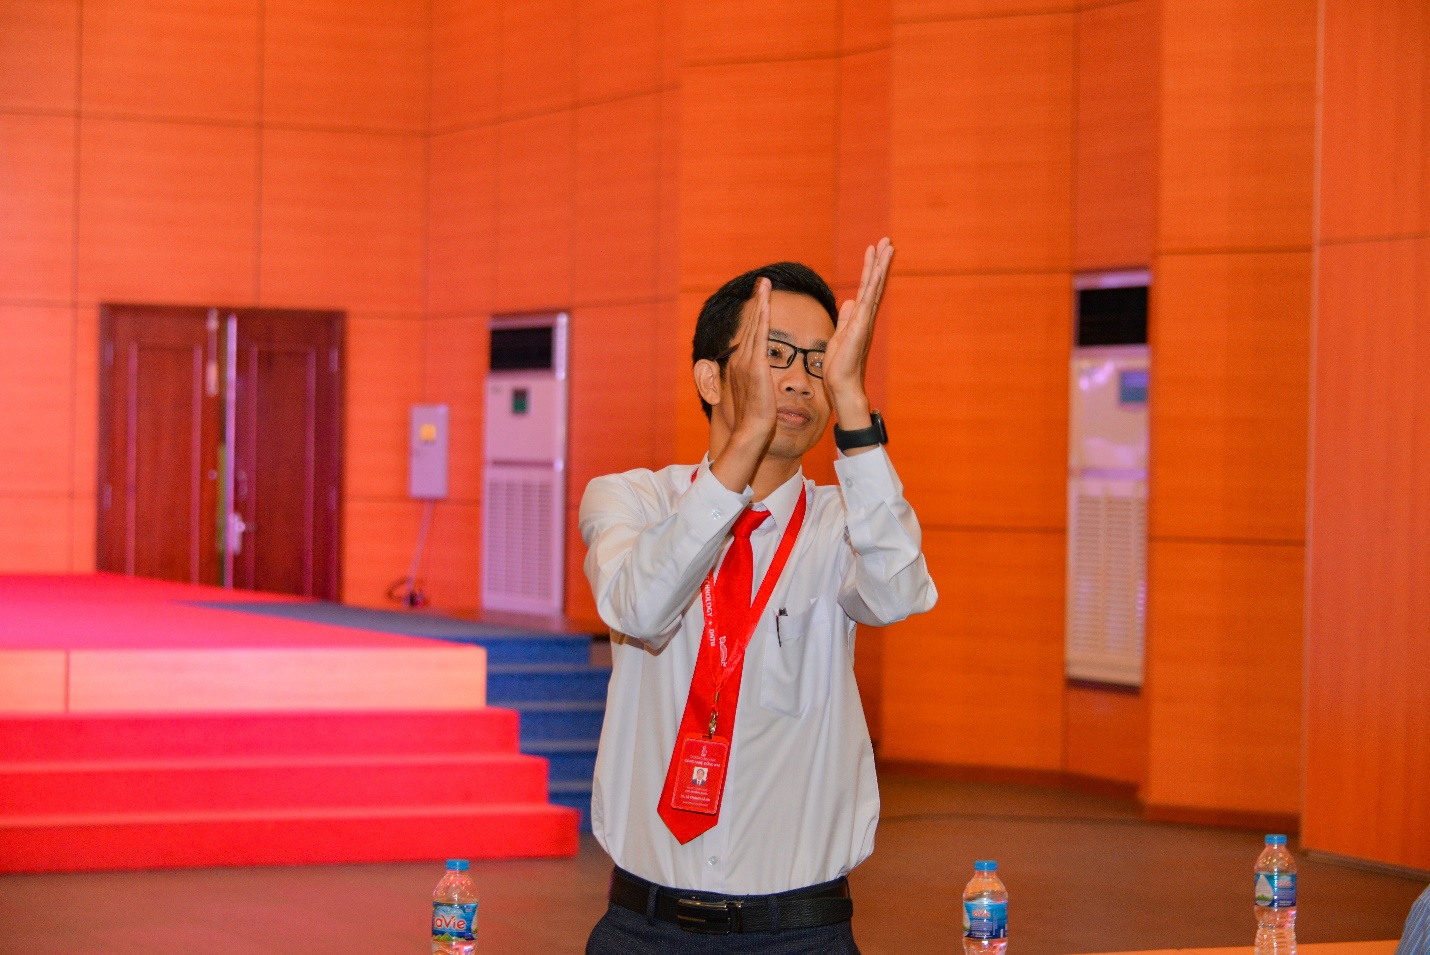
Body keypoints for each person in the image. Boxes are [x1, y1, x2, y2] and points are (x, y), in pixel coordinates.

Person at [580, 239, 938, 953]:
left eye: (820, 362)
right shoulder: (632, 501)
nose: (800, 381)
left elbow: (899, 591)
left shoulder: (842, 522)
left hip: (800, 933)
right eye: (775, 355)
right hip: (643, 928)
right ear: (711, 377)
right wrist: (745, 442)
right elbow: (641, 607)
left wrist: (855, 403)